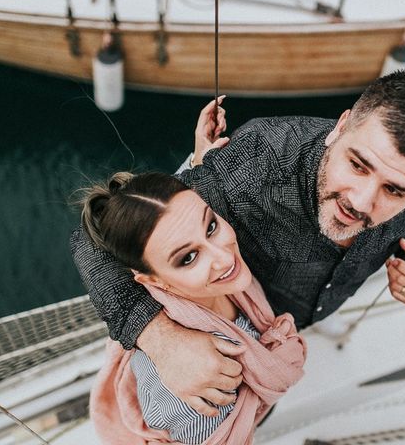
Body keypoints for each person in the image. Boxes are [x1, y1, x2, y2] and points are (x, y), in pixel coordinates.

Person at [71, 70, 405, 417]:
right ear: (340, 127)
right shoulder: (257, 161)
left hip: (315, 310)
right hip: (248, 319)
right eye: (357, 165)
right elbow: (93, 242)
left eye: (395, 191)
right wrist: (162, 339)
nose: (359, 202)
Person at [79, 171, 305, 444]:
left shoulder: (226, 285)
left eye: (210, 226)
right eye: (188, 257)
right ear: (152, 280)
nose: (224, 257)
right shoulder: (193, 398)